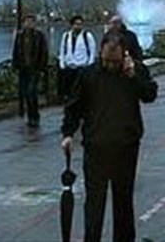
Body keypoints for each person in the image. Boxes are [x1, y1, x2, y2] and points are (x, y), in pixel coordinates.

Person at [61, 37, 157, 242]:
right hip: (96, 146)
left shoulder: (135, 70)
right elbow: (74, 106)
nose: (109, 65)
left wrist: (133, 76)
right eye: (105, 60)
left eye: (114, 62)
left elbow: (150, 95)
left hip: (126, 146)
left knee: (123, 200)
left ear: (125, 55)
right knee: (94, 202)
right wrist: (68, 134)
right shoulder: (89, 74)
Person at [11, 14, 49, 128]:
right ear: (23, 23)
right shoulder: (19, 36)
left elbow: (44, 51)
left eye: (31, 22)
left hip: (35, 68)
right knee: (26, 93)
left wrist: (42, 67)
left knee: (31, 92)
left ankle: (35, 117)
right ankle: (30, 116)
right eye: (27, 22)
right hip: (23, 69)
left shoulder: (39, 36)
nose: (29, 24)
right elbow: (15, 51)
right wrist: (15, 65)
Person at [58, 14, 97, 102]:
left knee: (81, 90)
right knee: (69, 90)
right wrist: (62, 64)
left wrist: (89, 65)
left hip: (82, 67)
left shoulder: (87, 36)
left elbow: (92, 51)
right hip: (69, 67)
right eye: (76, 24)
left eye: (80, 24)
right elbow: (62, 50)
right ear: (72, 25)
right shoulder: (66, 35)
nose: (78, 26)